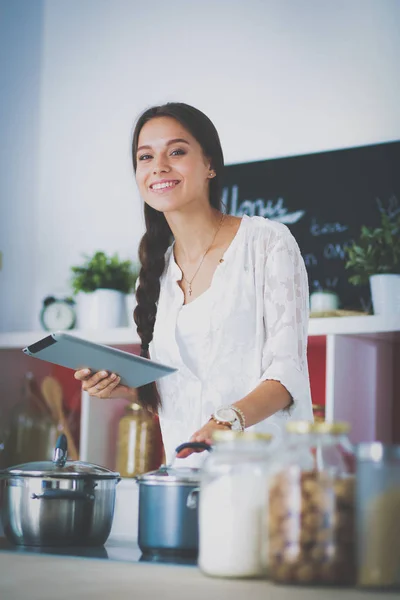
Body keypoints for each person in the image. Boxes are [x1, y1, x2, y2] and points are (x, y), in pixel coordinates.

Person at [74, 102, 313, 466]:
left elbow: (287, 374)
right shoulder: (155, 273)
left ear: (210, 165)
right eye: (145, 157)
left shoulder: (266, 242)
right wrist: (132, 390)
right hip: (186, 478)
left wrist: (227, 420)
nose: (159, 167)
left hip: (268, 481)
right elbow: (185, 390)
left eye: (177, 151)